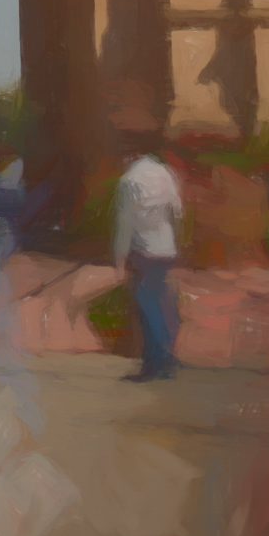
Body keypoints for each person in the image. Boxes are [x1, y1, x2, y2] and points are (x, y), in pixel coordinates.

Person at [111, 138, 183, 382]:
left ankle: (155, 362)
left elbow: (125, 223)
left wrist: (120, 259)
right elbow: (178, 211)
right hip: (166, 248)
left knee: (147, 306)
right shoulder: (165, 173)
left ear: (128, 155)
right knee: (163, 301)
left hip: (144, 251)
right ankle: (166, 358)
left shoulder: (128, 180)